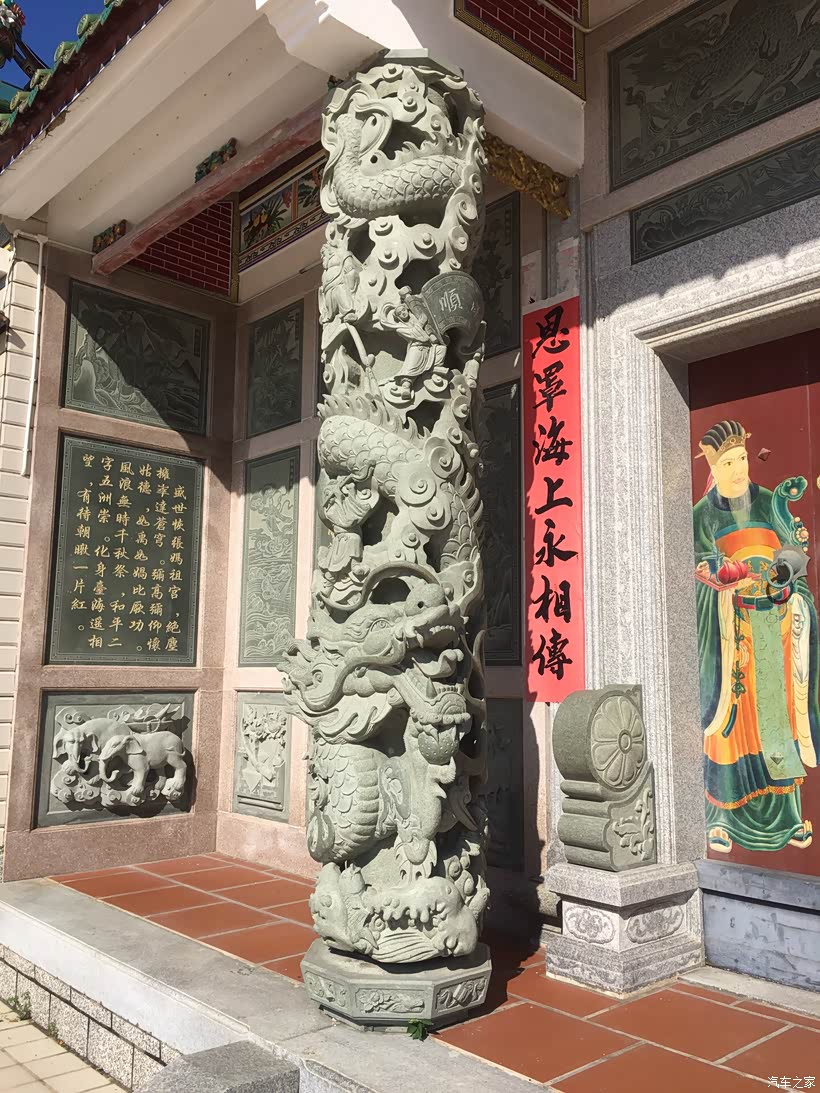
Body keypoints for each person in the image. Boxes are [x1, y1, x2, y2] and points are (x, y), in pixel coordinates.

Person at [693, 420, 819, 853]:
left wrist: (784, 576)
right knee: (730, 725)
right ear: (713, 467)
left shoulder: (767, 501)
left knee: (778, 724)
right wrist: (726, 582)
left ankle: (788, 817)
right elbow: (695, 575)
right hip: (731, 635)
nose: (738, 469)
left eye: (742, 458)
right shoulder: (702, 515)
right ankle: (721, 818)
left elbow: (795, 553)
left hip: (773, 629)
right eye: (728, 463)